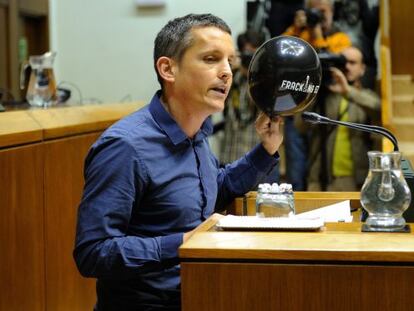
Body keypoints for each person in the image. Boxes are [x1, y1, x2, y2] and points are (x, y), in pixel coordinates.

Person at [73, 13, 283, 311]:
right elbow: (93, 253)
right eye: (211, 59)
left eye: (230, 62)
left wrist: (266, 150)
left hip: (199, 293)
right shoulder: (125, 146)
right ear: (167, 69)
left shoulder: (196, 132)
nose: (226, 72)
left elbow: (212, 188)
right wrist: (184, 242)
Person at [281, 0, 352, 190]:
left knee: (322, 163)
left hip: (329, 103)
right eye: (312, 11)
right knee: (295, 167)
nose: (317, 15)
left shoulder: (340, 38)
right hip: (298, 103)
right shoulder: (298, 34)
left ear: (332, 12)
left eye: (321, 11)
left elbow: (330, 64)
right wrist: (296, 27)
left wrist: (318, 33)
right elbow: (280, 52)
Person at [302, 46, 380, 191]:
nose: (347, 66)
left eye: (352, 62)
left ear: (362, 69)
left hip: (353, 181)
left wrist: (347, 91)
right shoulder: (323, 96)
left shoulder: (366, 96)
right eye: (343, 62)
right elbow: (301, 126)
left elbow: (377, 108)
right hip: (319, 178)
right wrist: (311, 89)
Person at [218, 29, 279, 183]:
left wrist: (261, 73)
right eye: (247, 54)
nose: (250, 59)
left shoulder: (269, 82)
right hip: (229, 160)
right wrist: (232, 68)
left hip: (260, 163)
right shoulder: (229, 80)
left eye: (255, 54)